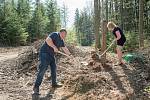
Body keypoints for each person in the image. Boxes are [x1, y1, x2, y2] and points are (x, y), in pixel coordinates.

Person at [33, 29, 72, 94]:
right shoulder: (55, 34)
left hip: (51, 55)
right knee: (42, 70)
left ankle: (54, 84)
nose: (64, 35)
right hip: (44, 53)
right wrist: (54, 47)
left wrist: (70, 55)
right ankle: (36, 87)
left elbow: (65, 48)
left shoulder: (61, 40)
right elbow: (48, 40)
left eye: (65, 34)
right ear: (60, 32)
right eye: (63, 34)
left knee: (54, 69)